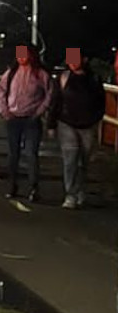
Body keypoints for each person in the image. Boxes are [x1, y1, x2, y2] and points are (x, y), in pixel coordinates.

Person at [46, 48, 105, 209]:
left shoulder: (94, 79)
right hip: (67, 124)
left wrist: (95, 119)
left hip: (88, 125)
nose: (72, 62)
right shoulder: (63, 78)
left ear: (84, 59)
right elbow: (55, 101)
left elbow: (101, 102)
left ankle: (80, 189)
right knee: (70, 160)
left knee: (83, 162)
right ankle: (70, 194)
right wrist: (51, 124)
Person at [0, 45, 51, 201]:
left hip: (31, 120)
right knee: (13, 155)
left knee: (31, 154)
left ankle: (34, 188)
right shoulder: (11, 73)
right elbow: (1, 92)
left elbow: (49, 95)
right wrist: (4, 111)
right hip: (13, 119)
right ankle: (12, 186)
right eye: (19, 54)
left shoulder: (41, 74)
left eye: (24, 54)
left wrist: (39, 112)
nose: (21, 57)